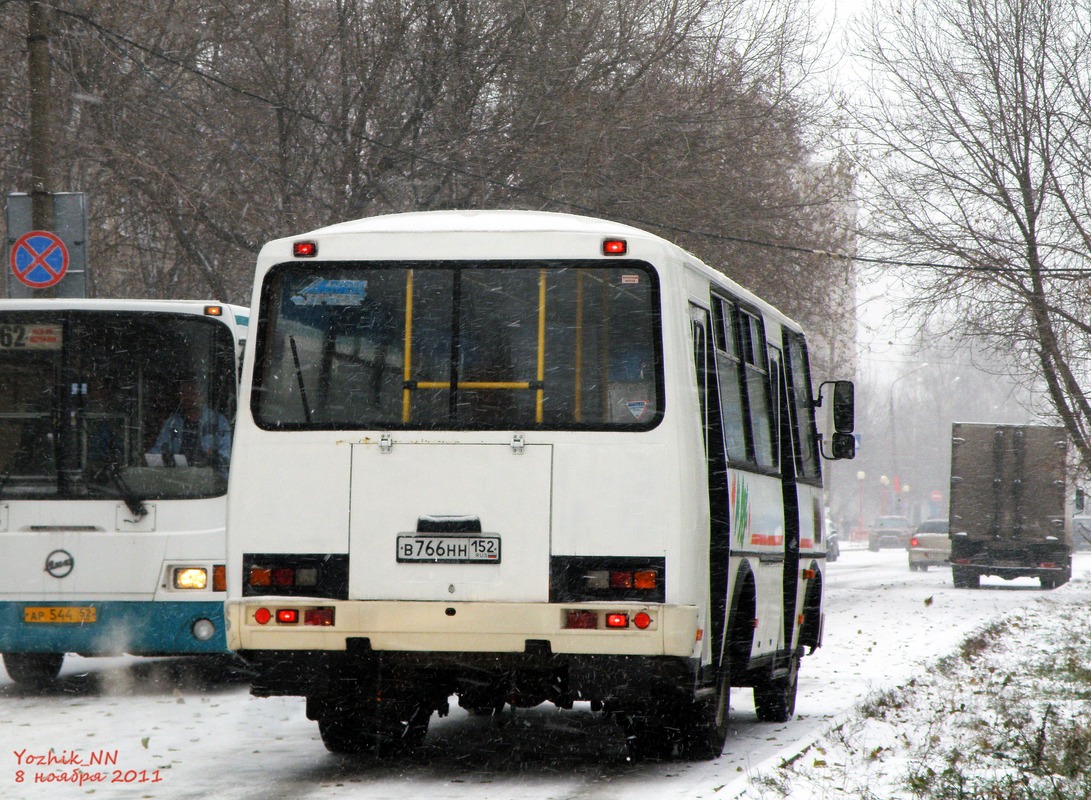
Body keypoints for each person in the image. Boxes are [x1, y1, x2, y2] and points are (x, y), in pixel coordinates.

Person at [152, 379, 232, 469]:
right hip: (177, 477)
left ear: (202, 396)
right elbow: (159, 449)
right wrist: (147, 458)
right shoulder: (172, 422)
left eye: (191, 392)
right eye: (183, 394)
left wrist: (213, 457)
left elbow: (228, 454)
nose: (187, 397)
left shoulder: (217, 420)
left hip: (211, 478)